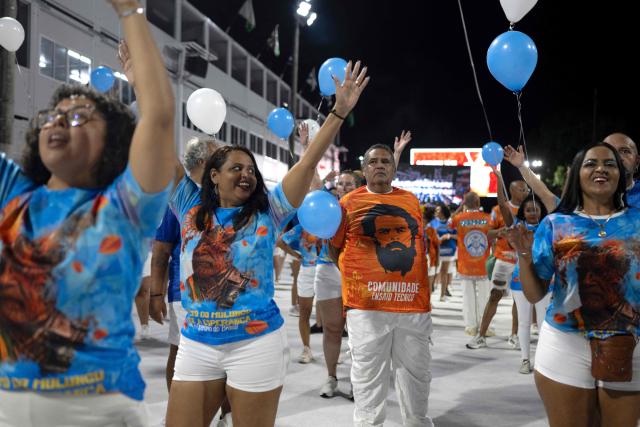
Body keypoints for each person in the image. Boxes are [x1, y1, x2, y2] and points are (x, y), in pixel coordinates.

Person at [165, 61, 369, 427]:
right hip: (196, 342)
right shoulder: (188, 204)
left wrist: (338, 112)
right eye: (236, 168)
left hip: (255, 344)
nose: (246, 174)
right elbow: (157, 140)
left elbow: (307, 164)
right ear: (213, 176)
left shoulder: (269, 211)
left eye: (250, 169)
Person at [0, 1, 176, 424]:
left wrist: (131, 11)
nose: (60, 121)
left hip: (98, 407)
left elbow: (159, 117)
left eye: (79, 117)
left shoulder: (125, 206)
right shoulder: (14, 196)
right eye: (54, 115)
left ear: (114, 145)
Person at [506, 141, 640, 427]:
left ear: (621, 175)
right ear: (577, 174)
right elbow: (535, 294)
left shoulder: (637, 221)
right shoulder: (556, 223)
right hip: (565, 343)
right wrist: (523, 254)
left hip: (630, 344)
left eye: (610, 163)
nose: (601, 168)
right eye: (591, 163)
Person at [331, 143, 433, 426]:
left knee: (417, 377)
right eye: (373, 161)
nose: (379, 166)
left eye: (385, 161)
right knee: (367, 380)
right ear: (364, 170)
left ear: (393, 168)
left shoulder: (412, 201)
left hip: (413, 307)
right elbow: (334, 249)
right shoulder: (348, 203)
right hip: (366, 308)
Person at [148, 137, 217, 390]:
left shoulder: (225, 197)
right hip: (184, 292)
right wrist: (156, 294)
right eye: (217, 155)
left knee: (222, 354)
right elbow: (162, 249)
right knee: (180, 353)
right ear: (202, 161)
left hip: (221, 293)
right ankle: (175, 414)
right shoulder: (180, 200)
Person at [467, 177, 529, 349]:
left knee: (519, 300)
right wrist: (500, 231)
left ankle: (514, 335)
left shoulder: (530, 210)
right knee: (494, 296)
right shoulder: (498, 209)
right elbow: (488, 234)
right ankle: (481, 335)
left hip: (522, 262)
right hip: (503, 260)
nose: (526, 192)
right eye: (522, 189)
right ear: (513, 191)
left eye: (527, 190)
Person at [506, 193, 550, 374]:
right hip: (520, 279)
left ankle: (542, 360)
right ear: (523, 212)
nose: (532, 212)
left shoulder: (549, 226)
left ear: (542, 211)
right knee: (524, 322)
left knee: (543, 322)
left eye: (536, 209)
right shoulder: (517, 228)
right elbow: (503, 207)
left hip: (545, 279)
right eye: (529, 209)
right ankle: (525, 359)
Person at [450, 192, 492, 336]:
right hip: (483, 264)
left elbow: (449, 223)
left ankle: (471, 326)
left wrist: (460, 207)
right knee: (485, 297)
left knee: (468, 297)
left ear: (465, 203)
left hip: (465, 265)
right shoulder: (488, 218)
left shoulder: (459, 218)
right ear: (479, 203)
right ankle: (485, 326)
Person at [279, 223, 321, 364]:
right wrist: (295, 254)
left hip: (327, 270)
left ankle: (333, 350)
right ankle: (306, 348)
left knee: (330, 316)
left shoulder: (333, 222)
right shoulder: (303, 226)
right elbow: (280, 242)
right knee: (304, 312)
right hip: (308, 271)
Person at [430, 203, 456, 302]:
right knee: (434, 272)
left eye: (438, 210)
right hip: (436, 249)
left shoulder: (451, 223)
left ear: (443, 212)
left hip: (449, 249)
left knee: (444, 272)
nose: (436, 212)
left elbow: (458, 236)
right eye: (436, 210)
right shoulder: (433, 222)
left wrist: (449, 236)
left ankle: (442, 295)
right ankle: (430, 296)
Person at [423, 207, 440, 293]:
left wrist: (438, 261)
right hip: (419, 261)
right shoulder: (415, 230)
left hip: (431, 259)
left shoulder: (431, 231)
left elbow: (437, 246)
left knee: (429, 284)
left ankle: (428, 302)